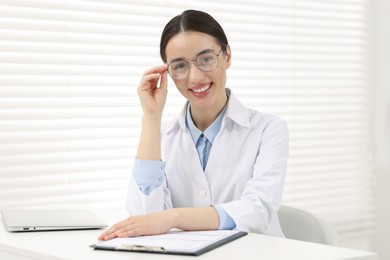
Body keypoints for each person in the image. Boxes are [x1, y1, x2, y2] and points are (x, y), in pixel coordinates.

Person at [98, 9, 289, 241]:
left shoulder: (268, 129)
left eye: (206, 59)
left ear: (227, 56)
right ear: (166, 71)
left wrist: (174, 217)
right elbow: (144, 219)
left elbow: (257, 210)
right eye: (180, 66)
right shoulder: (161, 136)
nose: (195, 77)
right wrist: (150, 117)